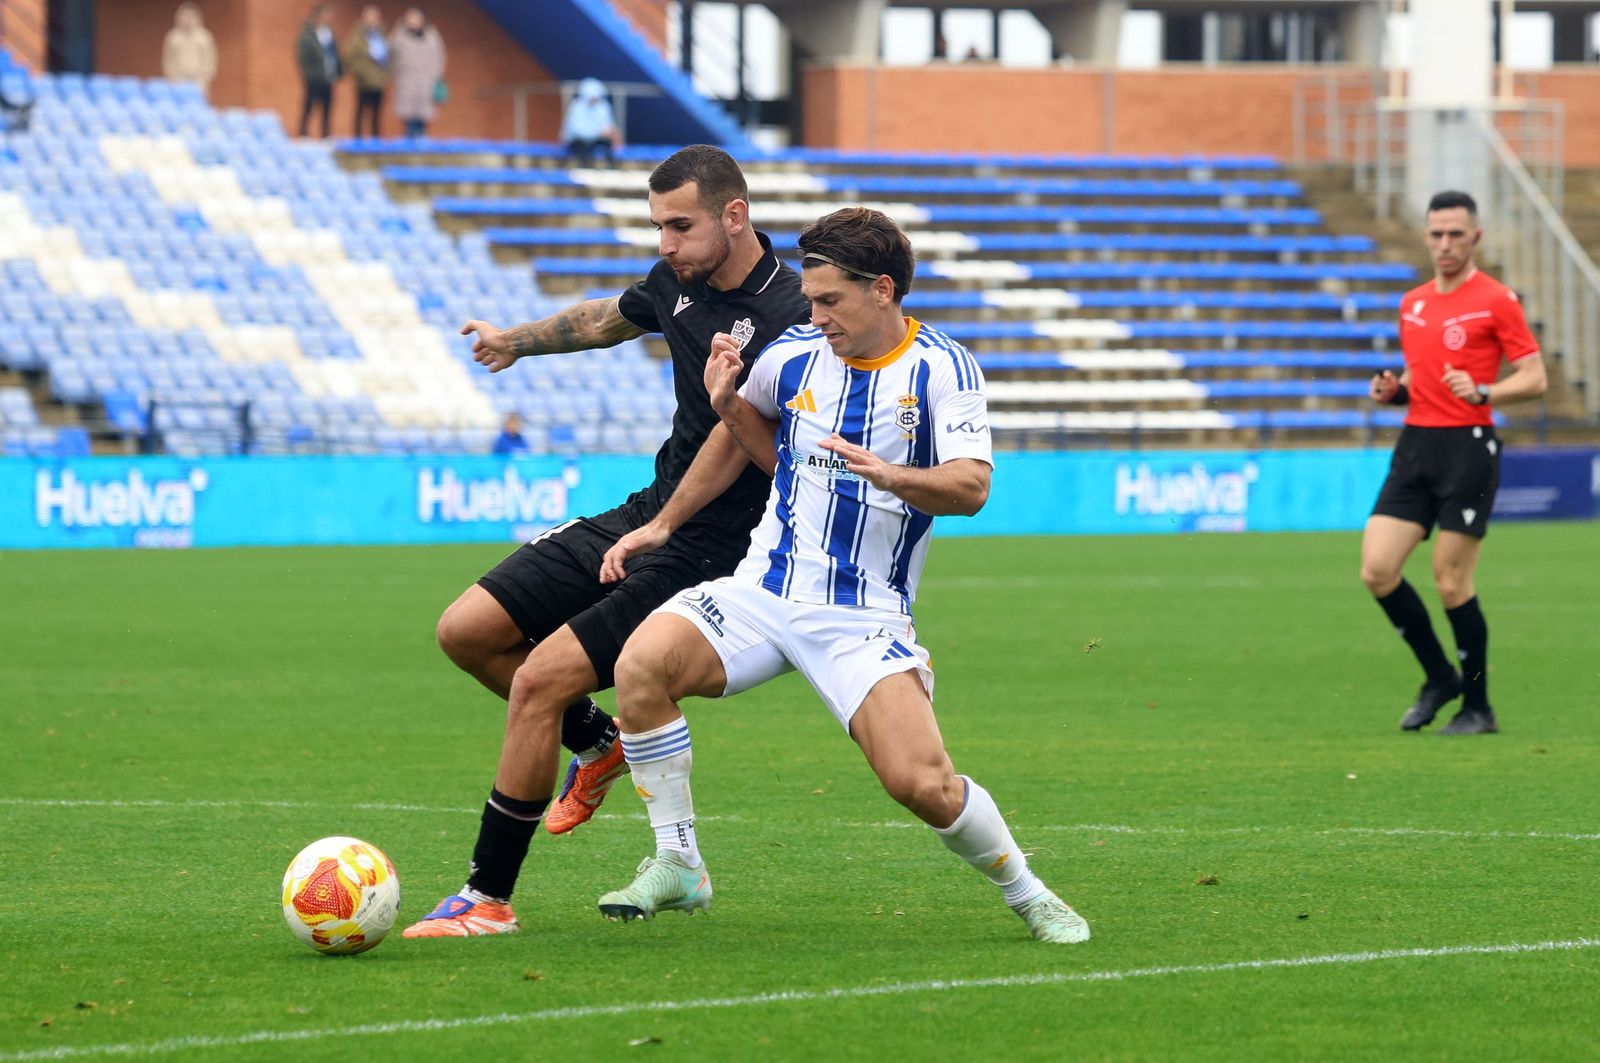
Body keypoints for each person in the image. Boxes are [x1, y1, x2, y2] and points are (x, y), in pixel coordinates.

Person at [590, 207, 1090, 945]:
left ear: (882, 289)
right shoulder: (791, 354)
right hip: (763, 588)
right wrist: (682, 489)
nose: (813, 314)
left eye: (829, 300)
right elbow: (746, 444)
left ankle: (1031, 892)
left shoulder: (943, 368)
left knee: (922, 784)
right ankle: (678, 860)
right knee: (640, 665)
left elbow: (971, 487)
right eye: (811, 298)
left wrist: (893, 475)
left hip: (862, 613)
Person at [402, 145, 813, 938]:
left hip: (715, 544)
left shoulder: (793, 318)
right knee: (468, 630)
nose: (665, 243)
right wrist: (515, 341)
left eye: (679, 225)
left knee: (539, 682)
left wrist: (669, 525)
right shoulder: (677, 283)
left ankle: (486, 897)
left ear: (735, 215)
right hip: (649, 509)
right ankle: (599, 743)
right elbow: (601, 319)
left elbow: (756, 456)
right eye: (658, 225)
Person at [1362, 190, 1547, 736]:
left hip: (1468, 449)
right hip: (1416, 445)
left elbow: (1534, 376)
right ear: (1425, 236)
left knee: (1450, 581)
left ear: (1475, 238)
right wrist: (1395, 392)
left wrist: (1485, 390)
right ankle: (1440, 677)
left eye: (1456, 235)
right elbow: (1422, 375)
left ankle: (1479, 707)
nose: (1445, 244)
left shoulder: (1496, 299)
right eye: (1437, 234)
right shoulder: (1413, 303)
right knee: (1377, 570)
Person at [389, 7, 445, 139]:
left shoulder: (432, 36)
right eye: (410, 18)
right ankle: (408, 149)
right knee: (408, 121)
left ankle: (421, 147)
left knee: (422, 120)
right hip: (406, 84)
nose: (413, 21)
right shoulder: (400, 36)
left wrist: (435, 75)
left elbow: (438, 57)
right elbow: (390, 52)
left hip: (425, 85)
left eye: (415, 18)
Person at [343, 5, 390, 138]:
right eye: (370, 17)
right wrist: (364, 73)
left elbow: (389, 57)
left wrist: (384, 76)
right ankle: (357, 142)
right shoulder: (357, 36)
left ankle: (376, 144)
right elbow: (351, 58)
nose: (372, 20)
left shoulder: (382, 36)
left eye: (375, 17)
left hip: (379, 82)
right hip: (363, 82)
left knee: (376, 116)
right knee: (360, 114)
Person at [295, 2, 341, 139]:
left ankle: (325, 135)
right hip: (314, 78)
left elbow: (334, 54)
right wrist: (310, 74)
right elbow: (303, 57)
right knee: (309, 106)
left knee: (327, 108)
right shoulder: (308, 34)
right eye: (327, 14)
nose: (329, 17)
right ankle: (303, 134)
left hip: (328, 76)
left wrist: (338, 70)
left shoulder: (329, 33)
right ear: (319, 15)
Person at [162, 2, 217, 100]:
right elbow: (168, 60)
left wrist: (203, 79)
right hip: (177, 81)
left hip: (199, 82)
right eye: (185, 16)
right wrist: (174, 79)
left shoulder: (204, 37)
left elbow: (210, 60)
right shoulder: (173, 37)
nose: (188, 20)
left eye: (191, 17)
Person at [561, 77, 621, 166]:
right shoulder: (576, 107)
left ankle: (612, 169)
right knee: (582, 148)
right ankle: (585, 171)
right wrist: (598, 132)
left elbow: (608, 126)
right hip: (579, 141)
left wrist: (612, 134)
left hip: (596, 140)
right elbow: (577, 132)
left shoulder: (603, 106)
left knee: (608, 146)